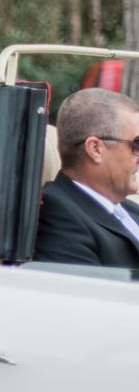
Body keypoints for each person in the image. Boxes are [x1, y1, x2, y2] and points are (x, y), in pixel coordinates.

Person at [34, 88, 139, 268]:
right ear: (95, 149)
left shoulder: (129, 209)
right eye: (136, 144)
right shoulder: (57, 214)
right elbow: (89, 294)